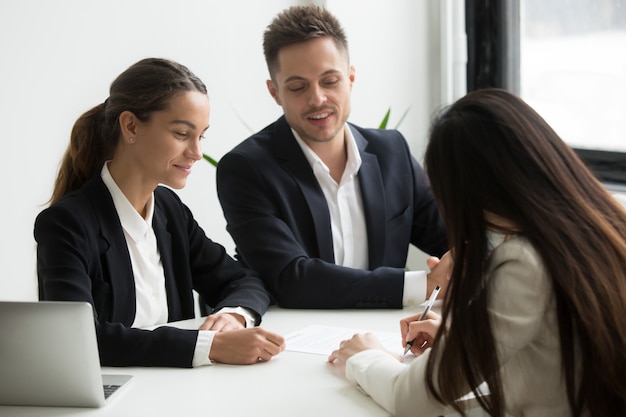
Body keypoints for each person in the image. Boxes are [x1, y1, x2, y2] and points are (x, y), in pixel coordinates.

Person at [328, 88, 626, 416]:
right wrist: (463, 338)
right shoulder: (608, 223)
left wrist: (365, 356)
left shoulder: (523, 262)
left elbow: (409, 399)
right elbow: (552, 350)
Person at [34, 58, 285, 368]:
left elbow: (244, 280)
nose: (195, 152)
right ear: (131, 126)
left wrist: (233, 315)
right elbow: (78, 338)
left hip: (179, 390)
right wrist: (209, 347)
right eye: (182, 134)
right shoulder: (67, 224)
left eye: (201, 136)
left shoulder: (169, 211)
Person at [216, 4, 449, 309]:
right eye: (298, 87)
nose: (317, 99)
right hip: (289, 344)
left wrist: (466, 261)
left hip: (387, 339)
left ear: (351, 78)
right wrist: (424, 284)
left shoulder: (392, 151)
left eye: (330, 81)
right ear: (275, 93)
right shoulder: (246, 169)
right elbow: (291, 278)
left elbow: (453, 235)